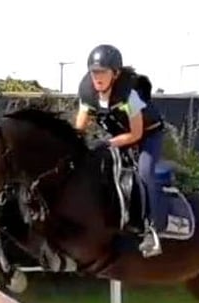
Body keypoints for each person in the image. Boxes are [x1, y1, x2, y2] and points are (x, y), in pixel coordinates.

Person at [74, 44, 166, 258]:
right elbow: (78, 130)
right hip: (120, 137)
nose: (97, 77)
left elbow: (135, 134)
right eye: (93, 72)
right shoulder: (87, 93)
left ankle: (152, 230)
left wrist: (106, 144)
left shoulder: (129, 94)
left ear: (115, 74)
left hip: (147, 136)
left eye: (102, 72)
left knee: (145, 172)